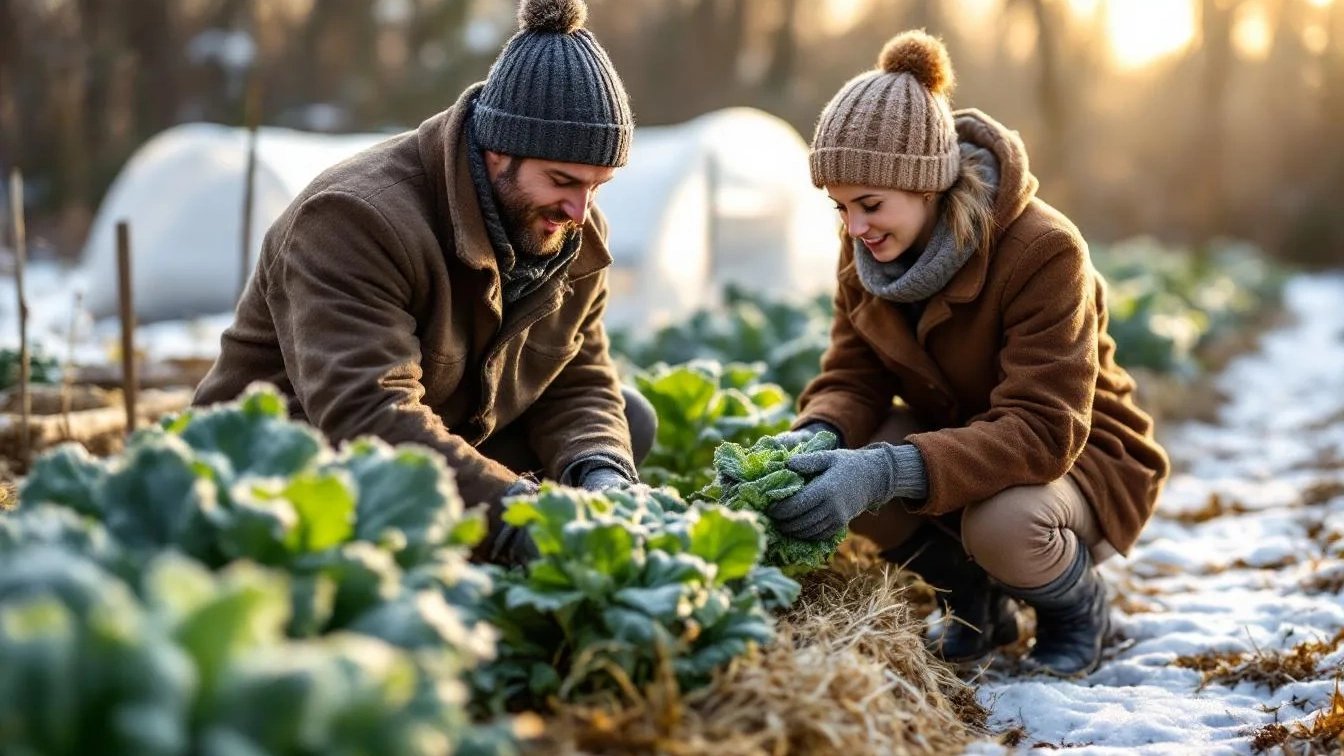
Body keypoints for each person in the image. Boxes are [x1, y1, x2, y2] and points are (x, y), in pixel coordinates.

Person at [764, 30, 1170, 677]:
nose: (855, 228)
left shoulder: (1043, 250)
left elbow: (1043, 429)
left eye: (870, 205)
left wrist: (883, 471)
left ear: (927, 184)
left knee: (1002, 525)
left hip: (1077, 453)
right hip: (958, 440)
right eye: (840, 207)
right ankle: (973, 600)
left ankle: (1077, 609)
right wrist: (817, 434)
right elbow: (853, 373)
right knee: (843, 463)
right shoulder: (867, 250)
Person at [193, 0, 655, 566]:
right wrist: (514, 510)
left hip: (443, 432)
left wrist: (603, 477)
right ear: (497, 153)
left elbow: (577, 378)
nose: (579, 210)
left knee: (623, 425)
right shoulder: (355, 218)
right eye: (562, 180)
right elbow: (366, 412)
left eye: (598, 185)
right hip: (297, 468)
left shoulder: (567, 229)